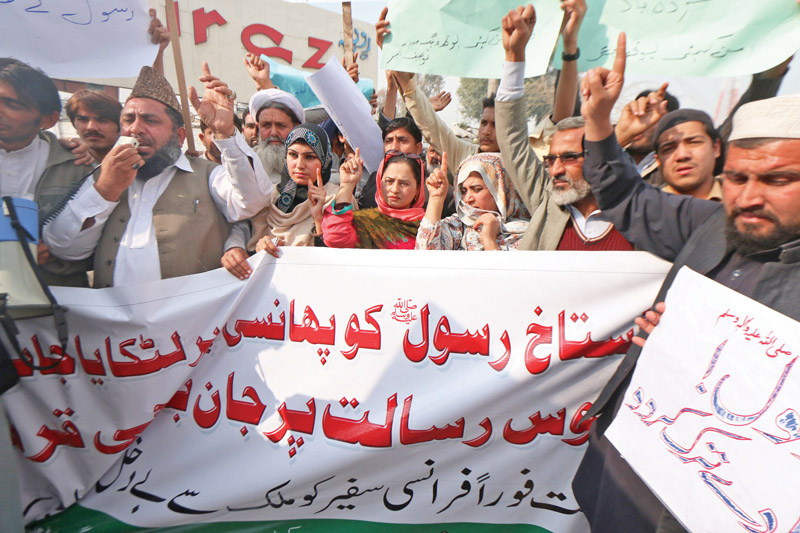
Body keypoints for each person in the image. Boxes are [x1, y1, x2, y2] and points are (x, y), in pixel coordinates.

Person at [574, 29, 800, 532]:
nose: (749, 197)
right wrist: (597, 120)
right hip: (622, 479)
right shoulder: (709, 225)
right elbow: (623, 194)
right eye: (738, 179)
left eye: (778, 180)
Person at [43, 64, 271, 288]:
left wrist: (225, 131)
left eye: (150, 121)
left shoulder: (206, 174)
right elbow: (64, 248)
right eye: (128, 120)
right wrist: (105, 190)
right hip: (113, 322)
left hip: (193, 320)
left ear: (180, 136)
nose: (136, 129)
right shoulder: (102, 177)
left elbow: (251, 202)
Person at [495, 6, 633, 251]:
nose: (555, 169)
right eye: (550, 160)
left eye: (569, 158)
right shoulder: (547, 202)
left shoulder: (637, 214)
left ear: (598, 158)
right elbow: (512, 139)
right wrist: (514, 56)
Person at [0, 58, 97, 286]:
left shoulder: (76, 168)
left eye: (12, 105)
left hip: (55, 307)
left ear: (48, 119)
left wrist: (53, 254)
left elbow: (103, 246)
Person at [246, 123, 338, 255]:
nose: (299, 165)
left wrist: (318, 219)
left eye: (310, 157)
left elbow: (336, 257)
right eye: (293, 155)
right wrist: (263, 245)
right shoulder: (269, 196)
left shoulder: (336, 198)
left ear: (324, 161)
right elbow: (252, 251)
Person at [417, 152, 530, 251]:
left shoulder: (526, 234)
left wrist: (489, 241)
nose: (468, 199)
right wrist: (436, 198)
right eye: (463, 191)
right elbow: (425, 253)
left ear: (503, 190)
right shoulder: (459, 226)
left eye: (477, 189)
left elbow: (510, 274)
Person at [322, 149, 425, 249]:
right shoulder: (364, 221)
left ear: (418, 189)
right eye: (389, 181)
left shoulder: (427, 226)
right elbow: (334, 237)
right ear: (379, 182)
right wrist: (347, 185)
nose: (394, 189)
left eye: (404, 184)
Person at [652, 109, 724, 200]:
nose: (682, 155)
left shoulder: (740, 200)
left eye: (694, 142)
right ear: (658, 161)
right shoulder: (645, 208)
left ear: (715, 148)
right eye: (668, 149)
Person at [249, 87, 305, 185]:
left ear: (296, 128)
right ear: (258, 127)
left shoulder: (310, 162)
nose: (274, 133)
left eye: (281, 125)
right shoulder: (247, 162)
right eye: (266, 125)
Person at [64, 89, 123, 163]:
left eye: (102, 120)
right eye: (83, 119)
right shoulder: (66, 162)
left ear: (120, 126)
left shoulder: (137, 163)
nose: (91, 127)